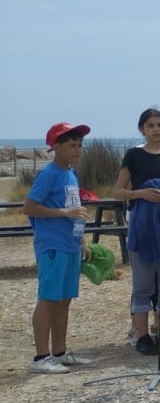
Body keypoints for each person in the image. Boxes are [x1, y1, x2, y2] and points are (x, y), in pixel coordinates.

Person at [24, 122, 94, 373]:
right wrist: (64, 212)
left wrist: (82, 241)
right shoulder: (49, 173)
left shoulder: (70, 173)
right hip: (52, 244)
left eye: (80, 145)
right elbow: (29, 207)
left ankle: (60, 352)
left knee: (64, 300)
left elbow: (75, 211)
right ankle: (41, 357)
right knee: (48, 298)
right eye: (72, 145)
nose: (77, 150)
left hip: (70, 244)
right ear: (56, 146)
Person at [113, 108, 160, 355]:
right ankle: (142, 335)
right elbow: (118, 191)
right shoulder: (134, 155)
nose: (155, 129)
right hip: (142, 223)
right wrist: (141, 194)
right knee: (143, 282)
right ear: (142, 129)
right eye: (150, 125)